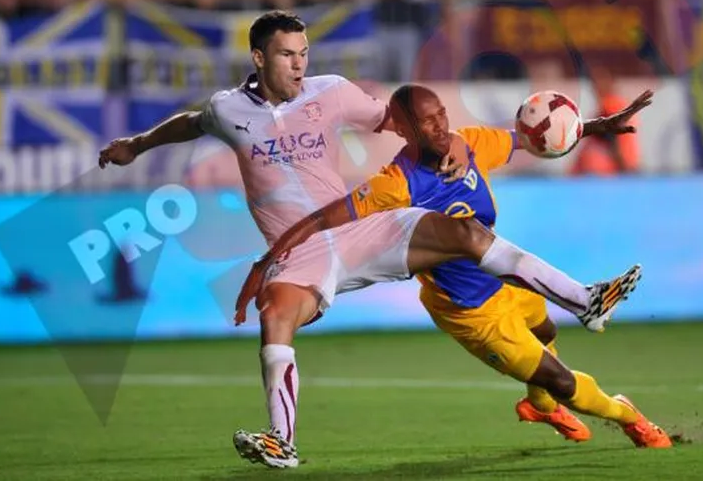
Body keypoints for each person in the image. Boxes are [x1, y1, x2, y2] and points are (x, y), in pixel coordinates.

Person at [99, 11, 638, 470]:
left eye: (303, 53)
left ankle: (584, 300)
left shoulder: (331, 92)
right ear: (259, 58)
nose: (299, 64)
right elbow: (192, 123)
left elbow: (403, 120)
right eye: (286, 55)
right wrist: (137, 143)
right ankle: (282, 441)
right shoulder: (228, 110)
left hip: (358, 231)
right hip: (300, 250)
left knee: (465, 232)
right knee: (275, 315)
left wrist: (450, 142)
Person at [238, 84, 669, 458]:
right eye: (427, 121)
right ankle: (627, 415)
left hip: (507, 278)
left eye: (441, 113)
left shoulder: (472, 142)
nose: (440, 125)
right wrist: (268, 260)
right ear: (405, 130)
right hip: (470, 309)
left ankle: (539, 404)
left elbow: (533, 137)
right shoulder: (396, 184)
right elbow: (326, 217)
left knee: (546, 332)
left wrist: (596, 126)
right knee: (562, 381)